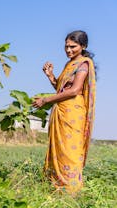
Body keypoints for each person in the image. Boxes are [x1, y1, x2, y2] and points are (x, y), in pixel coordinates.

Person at [32, 30, 96, 194]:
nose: (68, 50)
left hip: (73, 114)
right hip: (61, 111)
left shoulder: (83, 64)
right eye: (66, 46)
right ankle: (55, 189)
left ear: (83, 46)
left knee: (70, 152)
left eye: (73, 47)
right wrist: (51, 76)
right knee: (59, 150)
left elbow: (74, 91)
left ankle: (71, 192)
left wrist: (45, 100)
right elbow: (62, 89)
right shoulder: (69, 65)